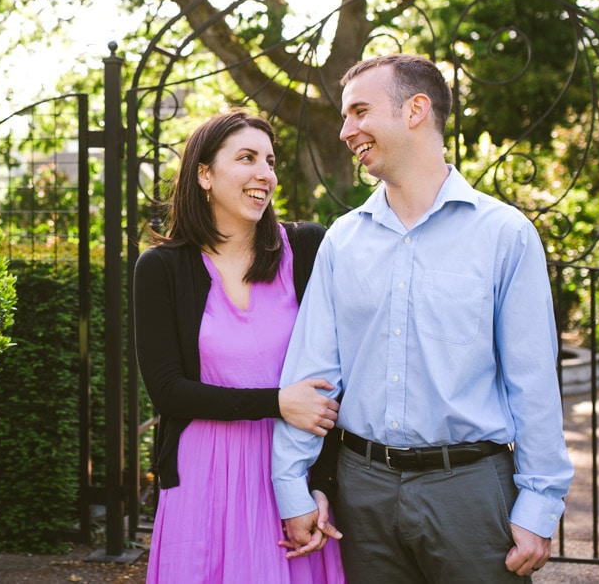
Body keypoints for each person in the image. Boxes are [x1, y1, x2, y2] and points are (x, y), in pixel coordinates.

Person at [272, 54, 575, 582]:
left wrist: (539, 504)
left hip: (471, 492)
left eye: (359, 111)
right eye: (345, 116)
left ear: (415, 110)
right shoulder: (342, 240)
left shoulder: (504, 234)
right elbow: (312, 375)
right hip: (361, 493)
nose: (347, 130)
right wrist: (292, 482)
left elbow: (533, 383)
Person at [134, 109, 346, 583]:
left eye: (269, 161)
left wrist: (322, 483)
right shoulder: (160, 268)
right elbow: (168, 390)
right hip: (201, 477)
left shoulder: (308, 248)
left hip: (290, 470)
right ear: (204, 174)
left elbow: (336, 378)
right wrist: (277, 402)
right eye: (246, 158)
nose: (264, 174)